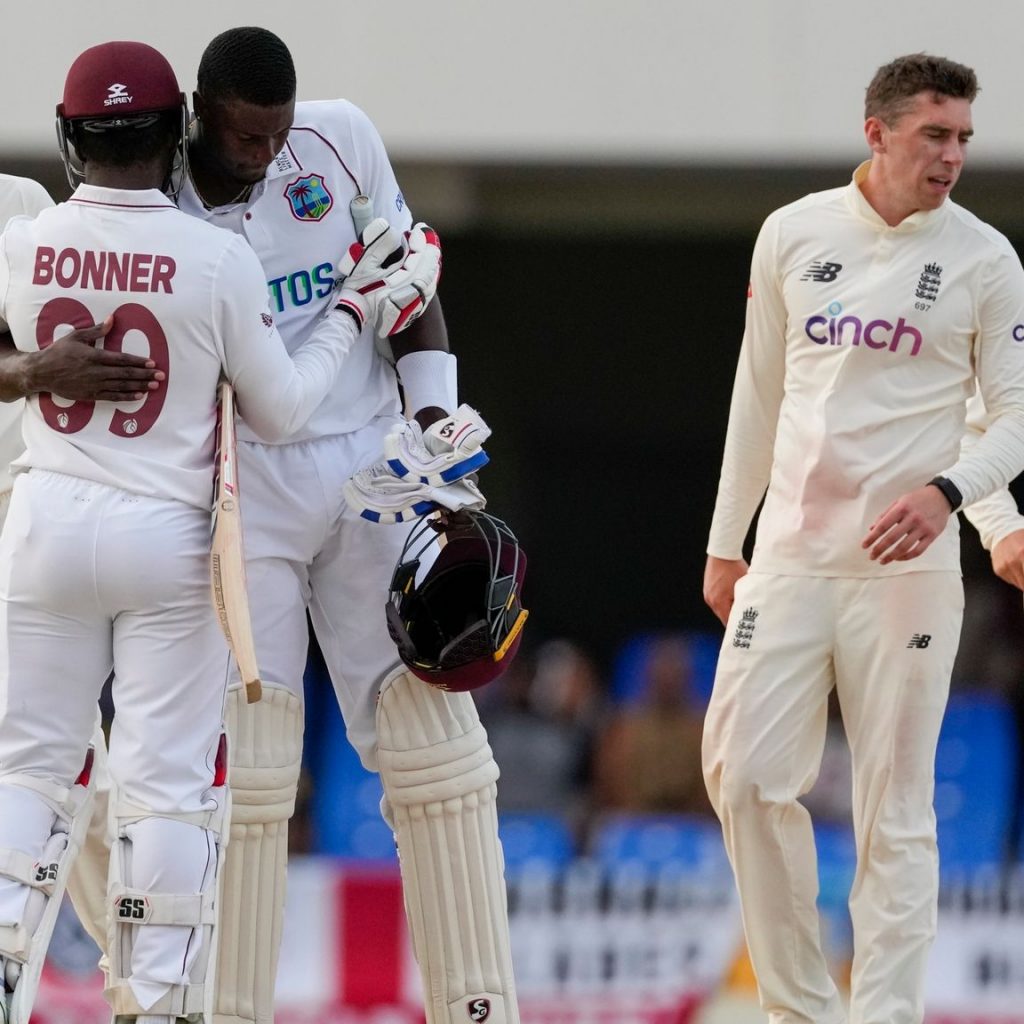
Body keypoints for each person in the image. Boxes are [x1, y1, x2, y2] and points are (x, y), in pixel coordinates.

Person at [2, 26, 517, 1024]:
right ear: (195, 118)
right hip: (240, 487)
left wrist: (432, 427)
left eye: (278, 135)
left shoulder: (340, 138)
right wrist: (346, 312)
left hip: (369, 460)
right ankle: (218, 1009)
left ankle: (481, 1007)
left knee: (437, 750)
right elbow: (286, 389)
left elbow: (409, 287)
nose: (267, 155)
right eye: (245, 137)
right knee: (249, 767)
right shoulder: (159, 205)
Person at [701, 53, 1024, 1024]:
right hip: (791, 560)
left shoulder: (985, 259)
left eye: (963, 137)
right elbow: (758, 394)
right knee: (743, 780)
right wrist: (725, 542)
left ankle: (884, 1015)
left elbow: (1010, 417)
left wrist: (955, 498)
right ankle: (800, 1009)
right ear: (876, 132)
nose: (952, 155)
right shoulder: (793, 232)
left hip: (906, 576)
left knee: (896, 809)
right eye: (934, 134)